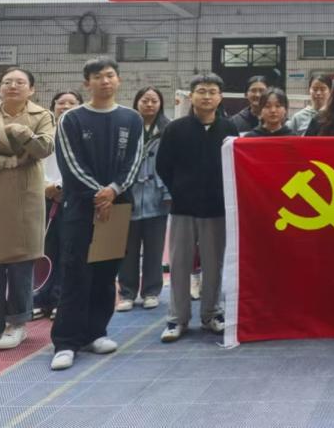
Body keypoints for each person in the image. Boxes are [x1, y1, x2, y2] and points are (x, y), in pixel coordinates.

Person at [49, 58, 143, 371]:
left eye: (110, 75)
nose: (105, 81)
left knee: (105, 273)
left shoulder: (131, 118)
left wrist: (113, 191)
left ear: (118, 80)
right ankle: (66, 342)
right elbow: (70, 163)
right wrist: (98, 194)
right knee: (76, 273)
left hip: (117, 207)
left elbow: (134, 162)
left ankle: (95, 333)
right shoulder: (71, 118)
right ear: (86, 83)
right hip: (80, 208)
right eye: (98, 76)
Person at [0, 67, 55, 353]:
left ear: (31, 89)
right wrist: (3, 161)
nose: (12, 86)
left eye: (19, 82)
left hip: (24, 197)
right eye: (7, 82)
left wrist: (24, 134)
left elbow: (44, 148)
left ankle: (17, 323)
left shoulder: (42, 116)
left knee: (20, 266)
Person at [156, 73, 238, 343]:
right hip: (183, 207)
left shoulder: (229, 129)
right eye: (201, 91)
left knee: (214, 264)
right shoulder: (175, 129)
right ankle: (176, 318)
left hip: (216, 208)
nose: (206, 96)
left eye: (212, 92)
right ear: (191, 96)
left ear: (220, 97)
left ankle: (212, 313)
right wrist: (180, 189)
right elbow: (163, 165)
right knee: (180, 264)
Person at [116, 87, 171, 313]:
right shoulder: (124, 127)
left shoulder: (168, 129)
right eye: (145, 100)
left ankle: (151, 292)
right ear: (136, 102)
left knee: (154, 248)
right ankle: (127, 293)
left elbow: (173, 163)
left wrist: (168, 192)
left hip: (157, 196)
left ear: (160, 104)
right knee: (126, 249)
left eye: (154, 101)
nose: (149, 104)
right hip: (127, 195)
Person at [33, 89, 83, 320]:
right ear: (53, 106)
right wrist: (47, 187)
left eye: (72, 103)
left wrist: (62, 187)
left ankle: (59, 299)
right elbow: (36, 164)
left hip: (72, 198)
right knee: (45, 250)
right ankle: (39, 298)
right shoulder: (44, 134)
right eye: (61, 102)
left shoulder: (83, 134)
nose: (66, 106)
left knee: (67, 251)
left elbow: (81, 167)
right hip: (44, 196)